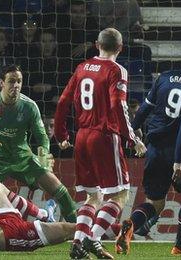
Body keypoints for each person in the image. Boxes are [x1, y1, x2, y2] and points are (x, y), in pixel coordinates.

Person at [116, 40, 181, 256]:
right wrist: (179, 160)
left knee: (155, 203)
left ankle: (130, 225)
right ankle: (180, 246)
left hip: (155, 149)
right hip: (180, 151)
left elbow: (143, 110)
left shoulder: (166, 76)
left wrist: (131, 135)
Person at [54, 28, 146, 259]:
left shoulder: (82, 67)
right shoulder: (117, 70)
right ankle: (91, 238)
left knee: (92, 197)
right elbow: (118, 106)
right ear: (120, 48)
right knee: (120, 195)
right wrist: (132, 138)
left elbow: (63, 101)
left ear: (97, 45)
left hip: (82, 137)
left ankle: (77, 243)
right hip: (104, 137)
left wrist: (61, 134)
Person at [0, 64, 78, 224]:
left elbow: (42, 137)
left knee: (61, 191)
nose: (16, 85)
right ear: (2, 83)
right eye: (11, 81)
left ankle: (80, 233)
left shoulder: (29, 106)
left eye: (19, 81)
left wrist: (43, 153)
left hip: (22, 157)